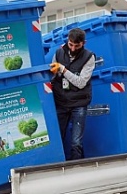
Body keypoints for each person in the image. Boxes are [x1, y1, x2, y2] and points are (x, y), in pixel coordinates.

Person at [49, 28, 95, 160]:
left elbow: (81, 82)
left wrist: (63, 70)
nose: (73, 48)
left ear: (84, 43)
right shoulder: (58, 53)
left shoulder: (89, 57)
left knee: (76, 141)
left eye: (77, 45)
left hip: (79, 103)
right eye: (71, 45)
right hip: (61, 101)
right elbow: (53, 77)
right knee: (57, 137)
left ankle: (77, 169)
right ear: (67, 41)